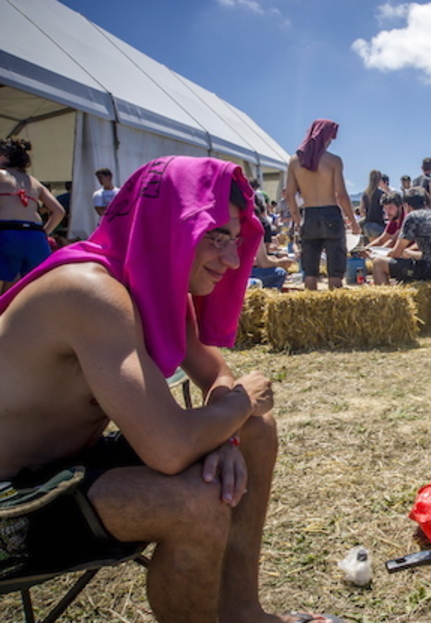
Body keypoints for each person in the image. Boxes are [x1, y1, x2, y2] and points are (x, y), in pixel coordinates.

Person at [0, 155, 341, 623]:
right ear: (166, 224)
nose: (233, 259)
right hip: (12, 501)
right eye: (216, 236)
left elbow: (215, 372)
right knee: (192, 503)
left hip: (65, 469)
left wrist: (231, 427)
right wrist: (237, 405)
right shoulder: (89, 292)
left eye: (236, 240)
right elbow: (169, 448)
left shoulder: (149, 283)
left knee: (257, 427)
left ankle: (243, 614)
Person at [285, 119, 360, 291]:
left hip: (309, 215)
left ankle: (311, 309)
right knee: (335, 271)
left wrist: (297, 220)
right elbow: (341, 195)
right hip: (331, 214)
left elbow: (289, 195)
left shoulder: (294, 161)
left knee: (310, 271)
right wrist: (353, 222)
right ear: (326, 137)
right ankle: (334, 310)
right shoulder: (334, 161)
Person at [0, 138, 66, 293]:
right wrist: (45, 233)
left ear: (4, 157)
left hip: (7, 234)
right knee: (28, 291)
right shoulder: (34, 182)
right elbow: (59, 211)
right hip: (36, 238)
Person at [371, 187, 431, 284]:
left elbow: (396, 253)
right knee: (407, 254)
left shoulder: (412, 216)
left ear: (406, 206)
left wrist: (374, 255)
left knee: (378, 263)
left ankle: (386, 297)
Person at [359, 169, 386, 242]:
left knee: (371, 247)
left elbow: (361, 210)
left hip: (367, 225)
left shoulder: (365, 193)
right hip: (378, 225)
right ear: (379, 179)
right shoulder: (381, 193)